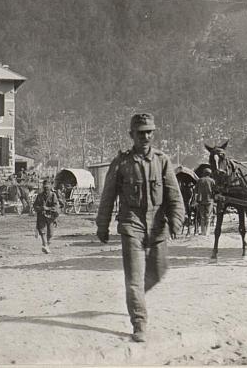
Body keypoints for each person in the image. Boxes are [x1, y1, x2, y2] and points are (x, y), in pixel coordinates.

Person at [95, 113, 184, 343]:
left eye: (149, 132)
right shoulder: (121, 163)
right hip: (131, 225)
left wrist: (176, 220)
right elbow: (108, 197)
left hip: (157, 227)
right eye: (141, 133)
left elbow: (174, 195)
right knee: (134, 278)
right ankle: (139, 322)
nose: (145, 137)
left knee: (158, 271)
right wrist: (102, 225)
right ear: (131, 135)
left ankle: (135, 297)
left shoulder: (162, 161)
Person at [33, 179, 60, 253]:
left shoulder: (53, 195)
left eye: (47, 187)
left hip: (50, 216)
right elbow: (35, 206)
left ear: (50, 187)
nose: (46, 189)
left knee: (50, 233)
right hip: (41, 216)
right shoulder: (39, 196)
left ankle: (47, 244)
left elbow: (56, 206)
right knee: (42, 231)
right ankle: (45, 245)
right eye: (44, 187)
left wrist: (48, 208)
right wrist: (40, 208)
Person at [195, 167, 216, 236]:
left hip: (201, 200)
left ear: (204, 173)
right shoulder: (212, 181)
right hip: (209, 200)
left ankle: (203, 232)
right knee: (208, 216)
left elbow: (196, 191)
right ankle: (207, 232)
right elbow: (215, 191)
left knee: (202, 217)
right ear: (209, 174)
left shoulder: (199, 180)